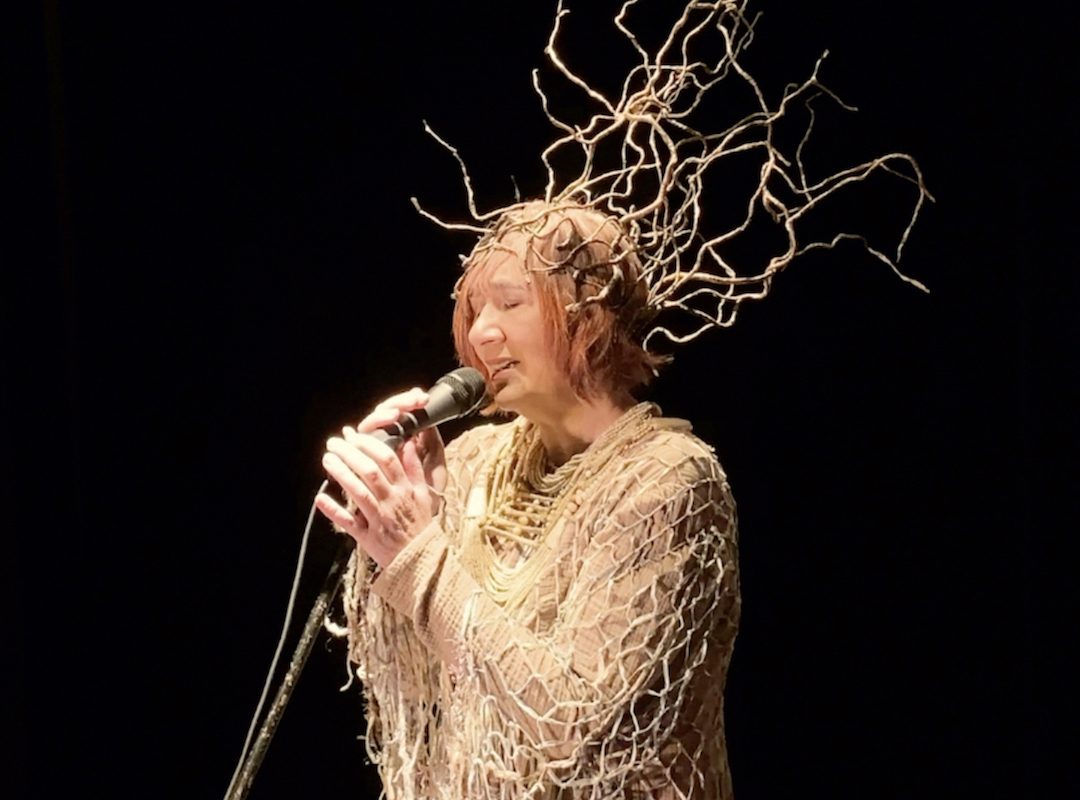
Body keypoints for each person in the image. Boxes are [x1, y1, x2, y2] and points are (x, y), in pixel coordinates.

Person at [315, 201, 741, 799]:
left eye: (510, 304)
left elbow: (584, 732)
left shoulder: (669, 482)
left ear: (587, 312)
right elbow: (416, 674)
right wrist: (404, 511)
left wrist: (420, 556)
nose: (481, 332)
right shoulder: (473, 462)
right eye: (476, 310)